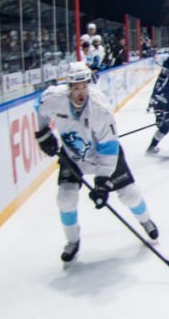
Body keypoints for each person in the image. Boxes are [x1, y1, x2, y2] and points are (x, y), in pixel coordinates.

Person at [34, 62, 158, 264]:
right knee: (65, 199)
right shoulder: (54, 99)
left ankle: (145, 220)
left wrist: (102, 183)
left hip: (104, 157)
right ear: (69, 87)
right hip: (73, 156)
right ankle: (72, 241)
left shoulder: (100, 109)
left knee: (130, 195)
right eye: (76, 88)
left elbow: (109, 148)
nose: (81, 92)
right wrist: (43, 133)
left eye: (84, 86)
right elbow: (39, 106)